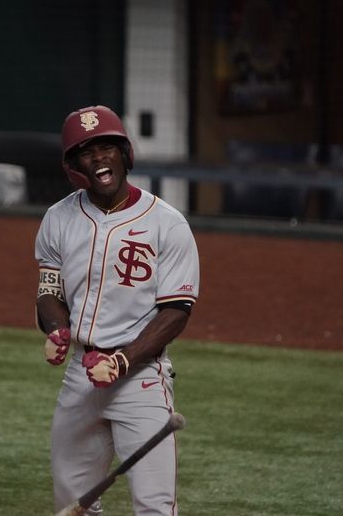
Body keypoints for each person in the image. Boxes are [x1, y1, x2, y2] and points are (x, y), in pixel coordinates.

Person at [34, 105, 200, 515]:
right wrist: (56, 330)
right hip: (81, 376)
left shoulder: (168, 224)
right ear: (75, 166)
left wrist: (123, 362)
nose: (99, 158)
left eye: (107, 147)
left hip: (141, 380)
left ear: (124, 154)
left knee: (154, 506)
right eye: (87, 151)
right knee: (73, 502)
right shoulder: (58, 219)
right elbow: (48, 293)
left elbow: (176, 312)